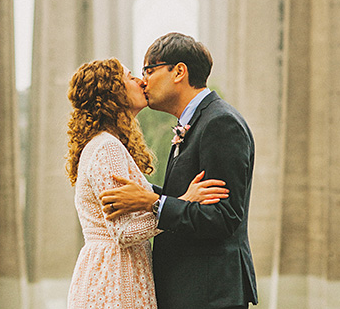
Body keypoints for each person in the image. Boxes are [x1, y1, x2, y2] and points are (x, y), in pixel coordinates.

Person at [100, 33, 258, 309]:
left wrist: (154, 203)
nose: (143, 80)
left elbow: (223, 217)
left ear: (179, 72)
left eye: (149, 70)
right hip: (190, 291)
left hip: (209, 294)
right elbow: (185, 196)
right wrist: (147, 193)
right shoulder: (195, 123)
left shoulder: (220, 123)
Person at [65, 57, 230, 309]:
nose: (141, 81)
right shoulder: (107, 148)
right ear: (113, 92)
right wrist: (183, 202)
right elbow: (124, 232)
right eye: (131, 77)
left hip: (112, 272)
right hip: (115, 278)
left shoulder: (102, 144)